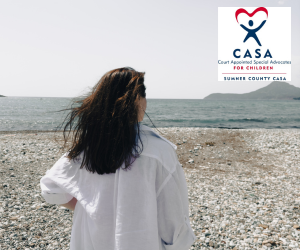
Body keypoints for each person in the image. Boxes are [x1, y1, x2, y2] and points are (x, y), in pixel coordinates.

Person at [40, 67, 196, 250]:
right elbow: (173, 224)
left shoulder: (89, 147)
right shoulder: (158, 152)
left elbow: (51, 190)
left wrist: (90, 206)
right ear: (138, 99)